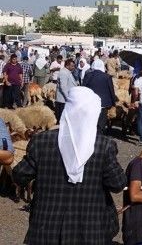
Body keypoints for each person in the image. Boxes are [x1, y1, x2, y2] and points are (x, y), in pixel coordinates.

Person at [13, 86, 127, 244]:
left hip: (46, 228)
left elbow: (19, 175)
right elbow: (118, 183)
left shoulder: (41, 141)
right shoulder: (103, 145)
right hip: (90, 230)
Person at [82, 58, 117, 132]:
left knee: (91, 122)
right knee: (101, 123)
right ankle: (100, 136)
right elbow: (111, 90)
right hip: (103, 104)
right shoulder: (107, 77)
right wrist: (114, 102)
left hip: (91, 103)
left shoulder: (88, 75)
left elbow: (83, 88)